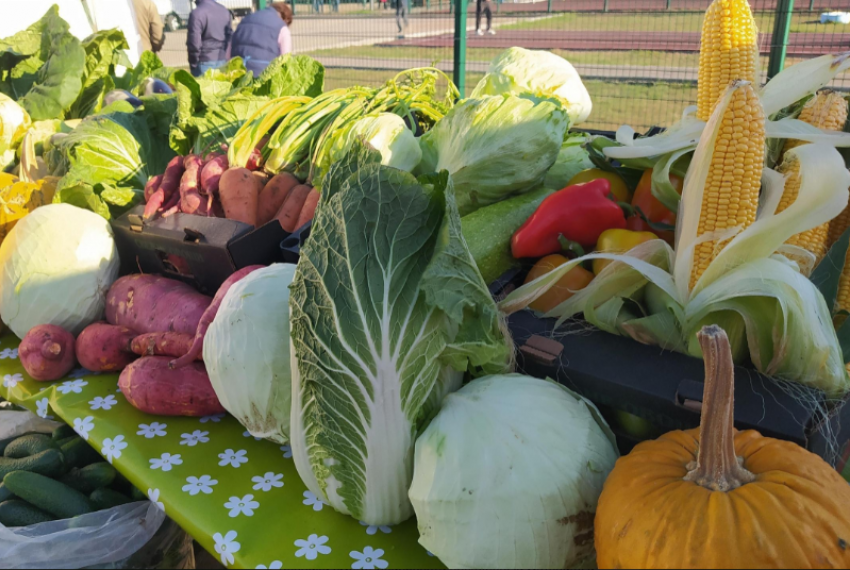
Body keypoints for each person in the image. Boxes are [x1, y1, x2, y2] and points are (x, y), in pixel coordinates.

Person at [231, 2, 294, 77]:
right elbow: (286, 58)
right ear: (286, 19)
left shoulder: (247, 18)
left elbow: (231, 44)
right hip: (263, 72)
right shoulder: (282, 27)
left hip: (237, 70)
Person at [187, 0, 233, 77]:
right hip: (223, 60)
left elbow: (194, 44)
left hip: (204, 62)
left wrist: (193, 64)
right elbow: (230, 37)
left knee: (202, 89)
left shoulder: (197, 13)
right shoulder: (224, 10)